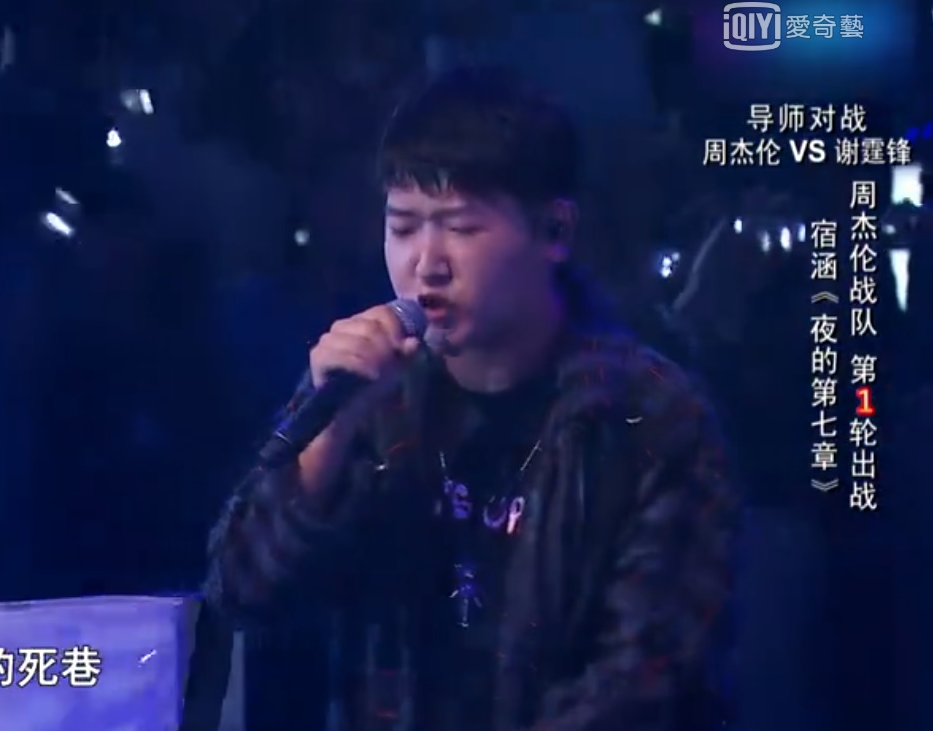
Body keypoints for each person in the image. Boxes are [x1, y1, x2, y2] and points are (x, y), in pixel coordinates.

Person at [204, 69, 737, 731]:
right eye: (403, 228)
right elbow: (239, 591)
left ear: (554, 231)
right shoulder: (373, 389)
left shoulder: (646, 414)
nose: (426, 263)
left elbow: (642, 678)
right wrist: (329, 431)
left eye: (459, 227)